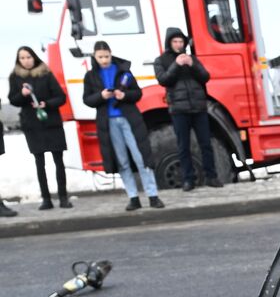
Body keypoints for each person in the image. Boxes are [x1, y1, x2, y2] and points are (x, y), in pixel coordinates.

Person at [82, 42, 162, 212]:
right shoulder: (91, 76)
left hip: (129, 119)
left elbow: (138, 93)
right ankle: (133, 197)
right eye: (100, 57)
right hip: (108, 122)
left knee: (141, 157)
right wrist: (101, 96)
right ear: (95, 57)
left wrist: (123, 95)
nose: (104, 60)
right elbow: (87, 100)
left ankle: (153, 195)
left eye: (106, 56)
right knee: (122, 161)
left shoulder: (124, 71)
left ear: (111, 55)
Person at [155, 27, 222, 191]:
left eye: (181, 41)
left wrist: (193, 65)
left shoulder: (192, 58)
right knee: (183, 146)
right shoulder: (161, 60)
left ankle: (211, 177)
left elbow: (205, 77)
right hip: (179, 110)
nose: (179, 44)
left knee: (205, 143)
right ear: (169, 43)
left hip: (199, 108)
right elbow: (163, 80)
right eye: (175, 42)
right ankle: (188, 180)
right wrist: (176, 65)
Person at [8, 46, 69, 210]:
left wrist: (46, 104)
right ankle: (46, 199)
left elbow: (61, 97)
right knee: (39, 162)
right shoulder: (15, 77)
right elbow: (13, 99)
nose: (26, 60)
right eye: (22, 58)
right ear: (18, 60)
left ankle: (63, 197)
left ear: (34, 57)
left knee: (58, 161)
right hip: (32, 125)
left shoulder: (46, 73)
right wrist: (23, 95)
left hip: (51, 122)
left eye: (28, 57)